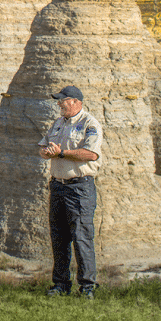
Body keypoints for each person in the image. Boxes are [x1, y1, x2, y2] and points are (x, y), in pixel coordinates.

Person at [38, 85, 103, 300]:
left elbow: (91, 154)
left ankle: (87, 287)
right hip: (58, 186)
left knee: (82, 237)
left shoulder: (90, 124)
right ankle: (60, 284)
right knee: (59, 237)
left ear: (75, 101)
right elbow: (43, 146)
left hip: (79, 188)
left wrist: (62, 153)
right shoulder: (58, 123)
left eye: (62, 100)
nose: (59, 104)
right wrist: (47, 152)